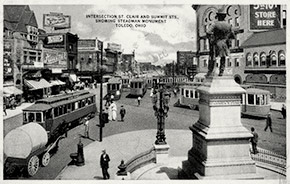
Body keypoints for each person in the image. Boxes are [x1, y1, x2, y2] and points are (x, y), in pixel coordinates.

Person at [206, 9, 235, 76]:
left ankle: (210, 71)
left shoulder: (215, 24)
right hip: (225, 43)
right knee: (223, 57)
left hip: (216, 43)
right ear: (224, 17)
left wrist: (212, 37)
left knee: (212, 57)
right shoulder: (228, 25)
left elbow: (208, 32)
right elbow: (233, 36)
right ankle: (221, 71)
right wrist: (226, 37)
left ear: (218, 16)